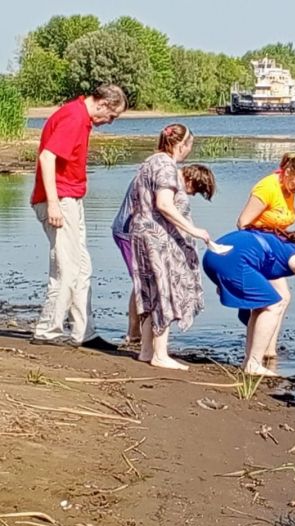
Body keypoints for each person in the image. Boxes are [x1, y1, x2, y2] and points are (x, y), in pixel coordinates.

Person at [30, 84, 128, 349]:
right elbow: (47, 157)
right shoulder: (74, 117)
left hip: (70, 198)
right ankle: (48, 330)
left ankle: (84, 331)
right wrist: (53, 203)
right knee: (67, 266)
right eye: (112, 116)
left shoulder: (80, 118)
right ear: (103, 104)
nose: (110, 122)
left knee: (82, 266)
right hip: (60, 199)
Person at [130, 124, 215, 370]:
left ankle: (147, 351)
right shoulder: (166, 165)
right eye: (190, 146)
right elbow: (165, 204)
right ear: (182, 145)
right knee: (163, 290)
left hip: (141, 233)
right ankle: (160, 354)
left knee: (149, 291)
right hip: (157, 237)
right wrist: (194, 231)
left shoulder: (148, 162)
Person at [112, 163, 217, 348]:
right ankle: (134, 333)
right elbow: (163, 209)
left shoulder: (165, 177)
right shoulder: (167, 180)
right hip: (128, 232)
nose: (192, 194)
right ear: (191, 180)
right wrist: (192, 231)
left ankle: (140, 332)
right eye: (196, 190)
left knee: (144, 283)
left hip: (134, 230)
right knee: (143, 284)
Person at [203, 228, 295, 377]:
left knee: (263, 305)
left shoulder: (288, 244)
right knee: (274, 305)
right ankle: (254, 364)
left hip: (214, 255)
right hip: (231, 259)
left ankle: (249, 361)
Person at [235, 153, 295, 359]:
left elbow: (278, 220)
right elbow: (243, 222)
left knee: (282, 298)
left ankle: (268, 349)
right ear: (288, 172)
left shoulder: (288, 188)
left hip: (273, 250)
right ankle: (260, 352)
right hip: (257, 251)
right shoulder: (268, 187)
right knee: (276, 299)